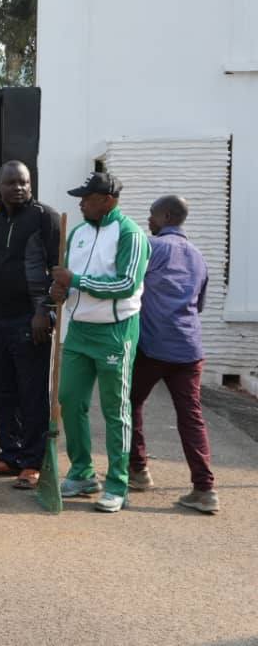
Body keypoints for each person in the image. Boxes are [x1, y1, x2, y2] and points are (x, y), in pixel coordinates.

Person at [51, 172, 150, 513]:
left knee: (115, 410)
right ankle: (82, 472)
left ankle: (118, 484)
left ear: (107, 200)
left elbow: (125, 283)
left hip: (115, 330)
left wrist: (75, 279)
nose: (80, 203)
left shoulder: (130, 234)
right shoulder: (77, 232)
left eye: (87, 198)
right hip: (79, 330)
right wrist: (60, 290)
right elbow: (67, 279)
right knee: (69, 399)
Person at [0, 161, 60, 490]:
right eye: (11, 183)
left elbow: (56, 272)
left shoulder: (44, 218)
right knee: (5, 390)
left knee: (32, 392)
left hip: (30, 319)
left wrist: (44, 312)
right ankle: (9, 455)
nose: (19, 188)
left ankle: (33, 463)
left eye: (24, 182)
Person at [127, 196, 218, 513]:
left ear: (166, 216)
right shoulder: (198, 256)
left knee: (130, 402)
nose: (149, 220)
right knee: (191, 417)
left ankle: (138, 471)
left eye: (151, 215)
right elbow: (200, 304)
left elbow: (130, 288)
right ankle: (205, 490)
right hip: (189, 349)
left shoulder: (152, 247)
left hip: (153, 346)